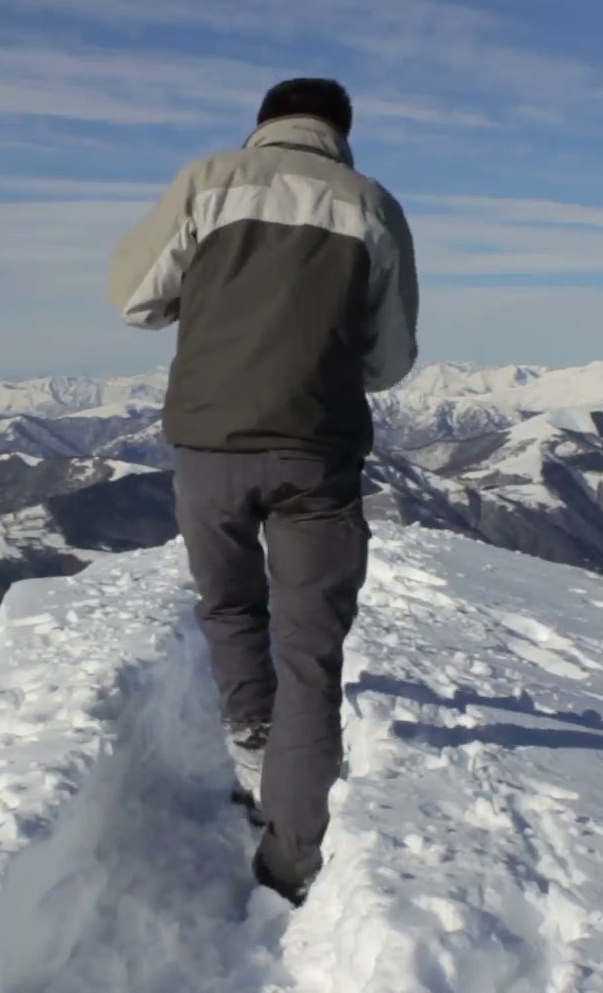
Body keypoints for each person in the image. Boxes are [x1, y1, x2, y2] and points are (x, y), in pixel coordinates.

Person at [105, 77, 420, 905]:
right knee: (311, 653)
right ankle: (292, 859)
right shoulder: (373, 206)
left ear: (265, 123)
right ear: (341, 132)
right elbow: (390, 362)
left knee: (232, 607)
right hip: (317, 452)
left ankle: (251, 750)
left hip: (210, 442)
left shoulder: (208, 182)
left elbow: (136, 299)